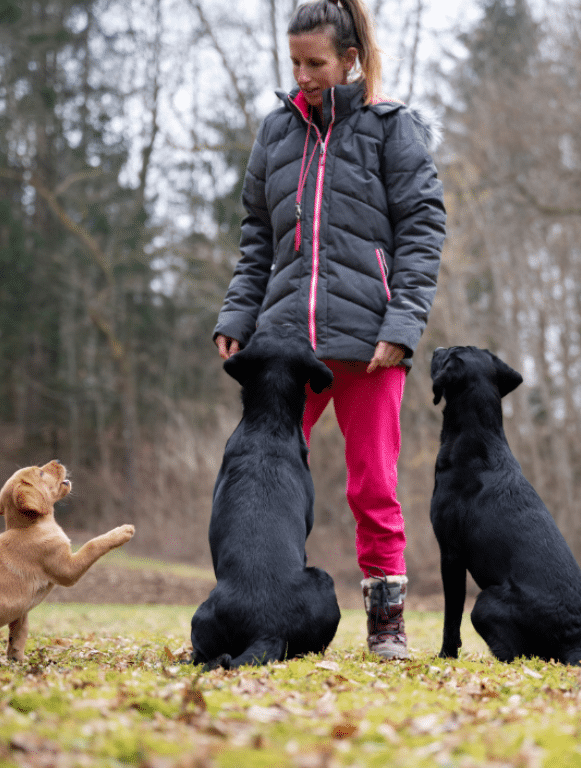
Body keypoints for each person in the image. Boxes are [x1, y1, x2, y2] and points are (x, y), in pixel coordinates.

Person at [212, 0, 445, 660]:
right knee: (260, 481)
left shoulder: (391, 129)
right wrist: (237, 314)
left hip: (372, 344)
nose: (303, 75)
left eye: (315, 63)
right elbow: (259, 236)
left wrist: (402, 324)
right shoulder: (276, 132)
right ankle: (259, 607)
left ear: (351, 60)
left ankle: (387, 623)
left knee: (373, 485)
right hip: (285, 342)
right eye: (294, 63)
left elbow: (423, 232)